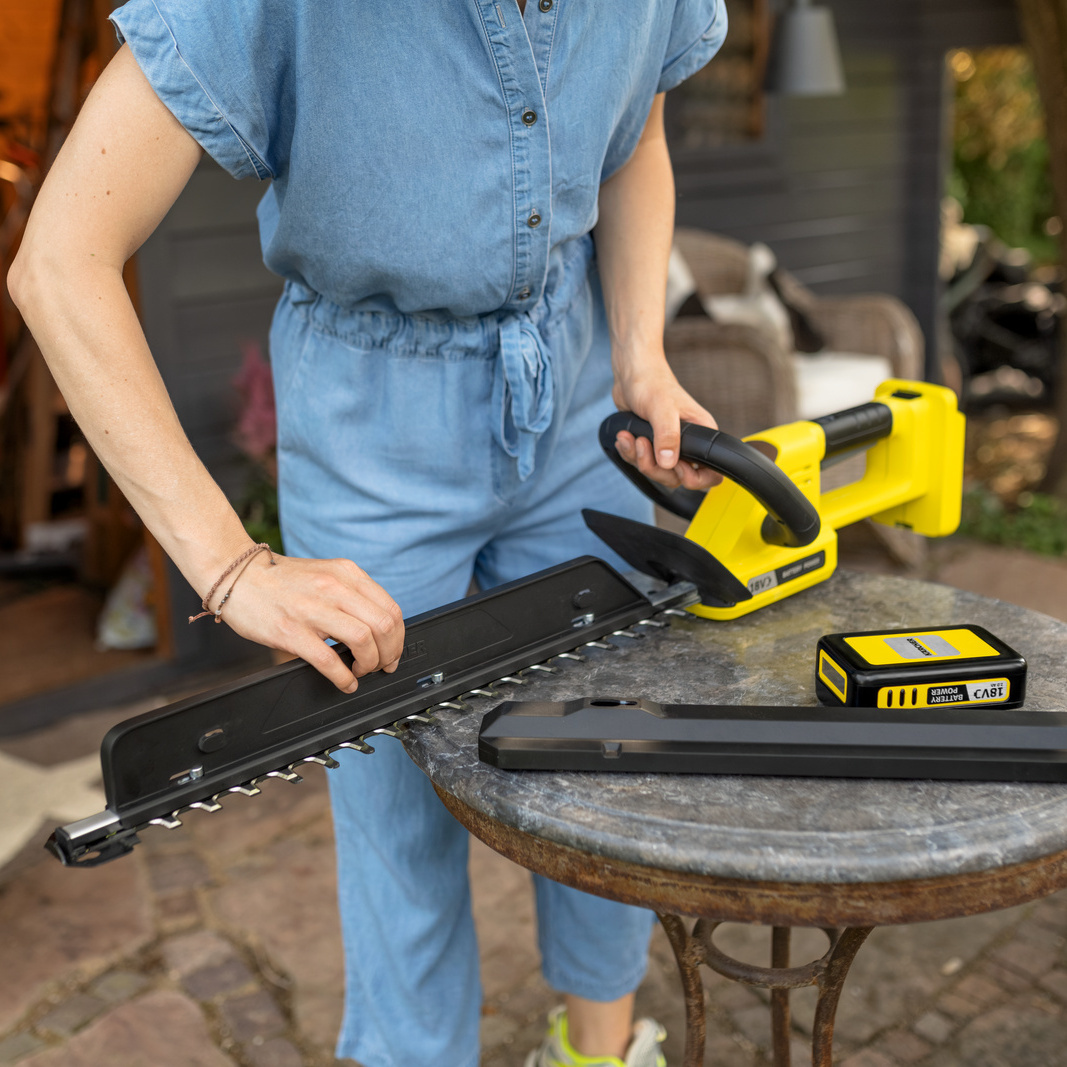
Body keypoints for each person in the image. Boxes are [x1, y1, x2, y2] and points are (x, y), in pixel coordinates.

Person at [8, 3, 728, 1065]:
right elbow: (58, 260)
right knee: (397, 813)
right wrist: (229, 562)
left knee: (606, 753)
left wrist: (640, 357)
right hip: (369, 418)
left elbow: (635, 140)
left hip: (574, 393)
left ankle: (600, 1049)